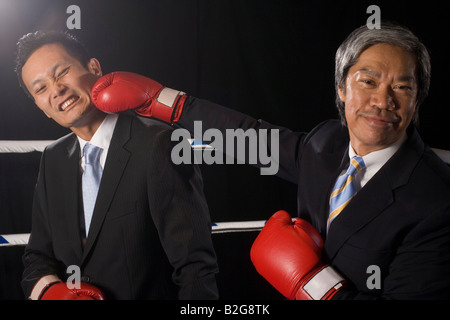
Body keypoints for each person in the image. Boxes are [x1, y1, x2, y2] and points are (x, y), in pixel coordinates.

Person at [92, 22, 450, 299]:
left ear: (417, 99)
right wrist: (163, 101)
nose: (382, 101)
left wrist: (312, 283)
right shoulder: (327, 142)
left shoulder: (437, 200)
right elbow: (251, 138)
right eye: (368, 81)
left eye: (402, 87)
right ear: (341, 89)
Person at [15, 30, 219, 300]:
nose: (56, 90)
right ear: (40, 106)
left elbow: (194, 267)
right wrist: (50, 291)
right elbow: (38, 254)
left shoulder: (158, 143)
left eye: (61, 72)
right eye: (41, 88)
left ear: (94, 68)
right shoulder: (52, 158)